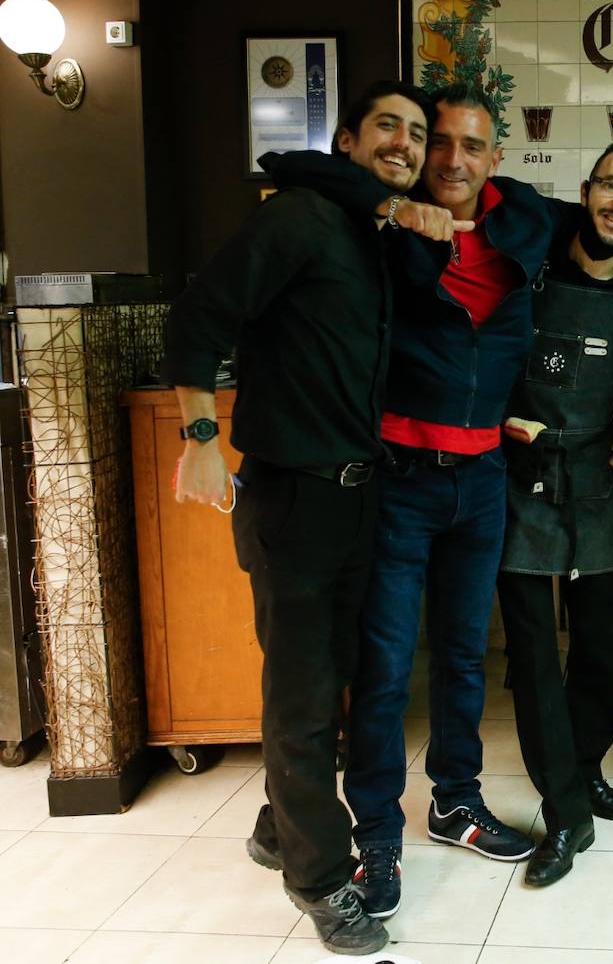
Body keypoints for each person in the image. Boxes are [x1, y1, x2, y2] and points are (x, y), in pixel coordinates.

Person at [259, 87, 613, 918]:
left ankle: (470, 798)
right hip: (423, 477)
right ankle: (381, 838)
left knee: (486, 658)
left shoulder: (567, 237)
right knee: (396, 670)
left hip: (520, 485)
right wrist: (391, 200)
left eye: (473, 146)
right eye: (440, 143)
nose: (455, 160)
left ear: (497, 159)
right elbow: (293, 167)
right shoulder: (423, 230)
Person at [163, 81, 437, 955]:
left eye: (418, 134)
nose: (404, 143)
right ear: (348, 140)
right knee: (305, 696)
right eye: (387, 127)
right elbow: (198, 316)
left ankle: (279, 826)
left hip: (358, 495)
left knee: (340, 681)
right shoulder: (300, 218)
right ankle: (319, 882)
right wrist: (202, 435)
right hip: (294, 496)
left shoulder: (370, 229)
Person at [496, 139, 613, 887]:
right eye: (610, 186)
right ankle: (567, 811)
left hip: (597, 475)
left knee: (600, 644)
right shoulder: (530, 255)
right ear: (586, 188)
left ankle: (589, 769)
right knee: (535, 658)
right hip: (521, 475)